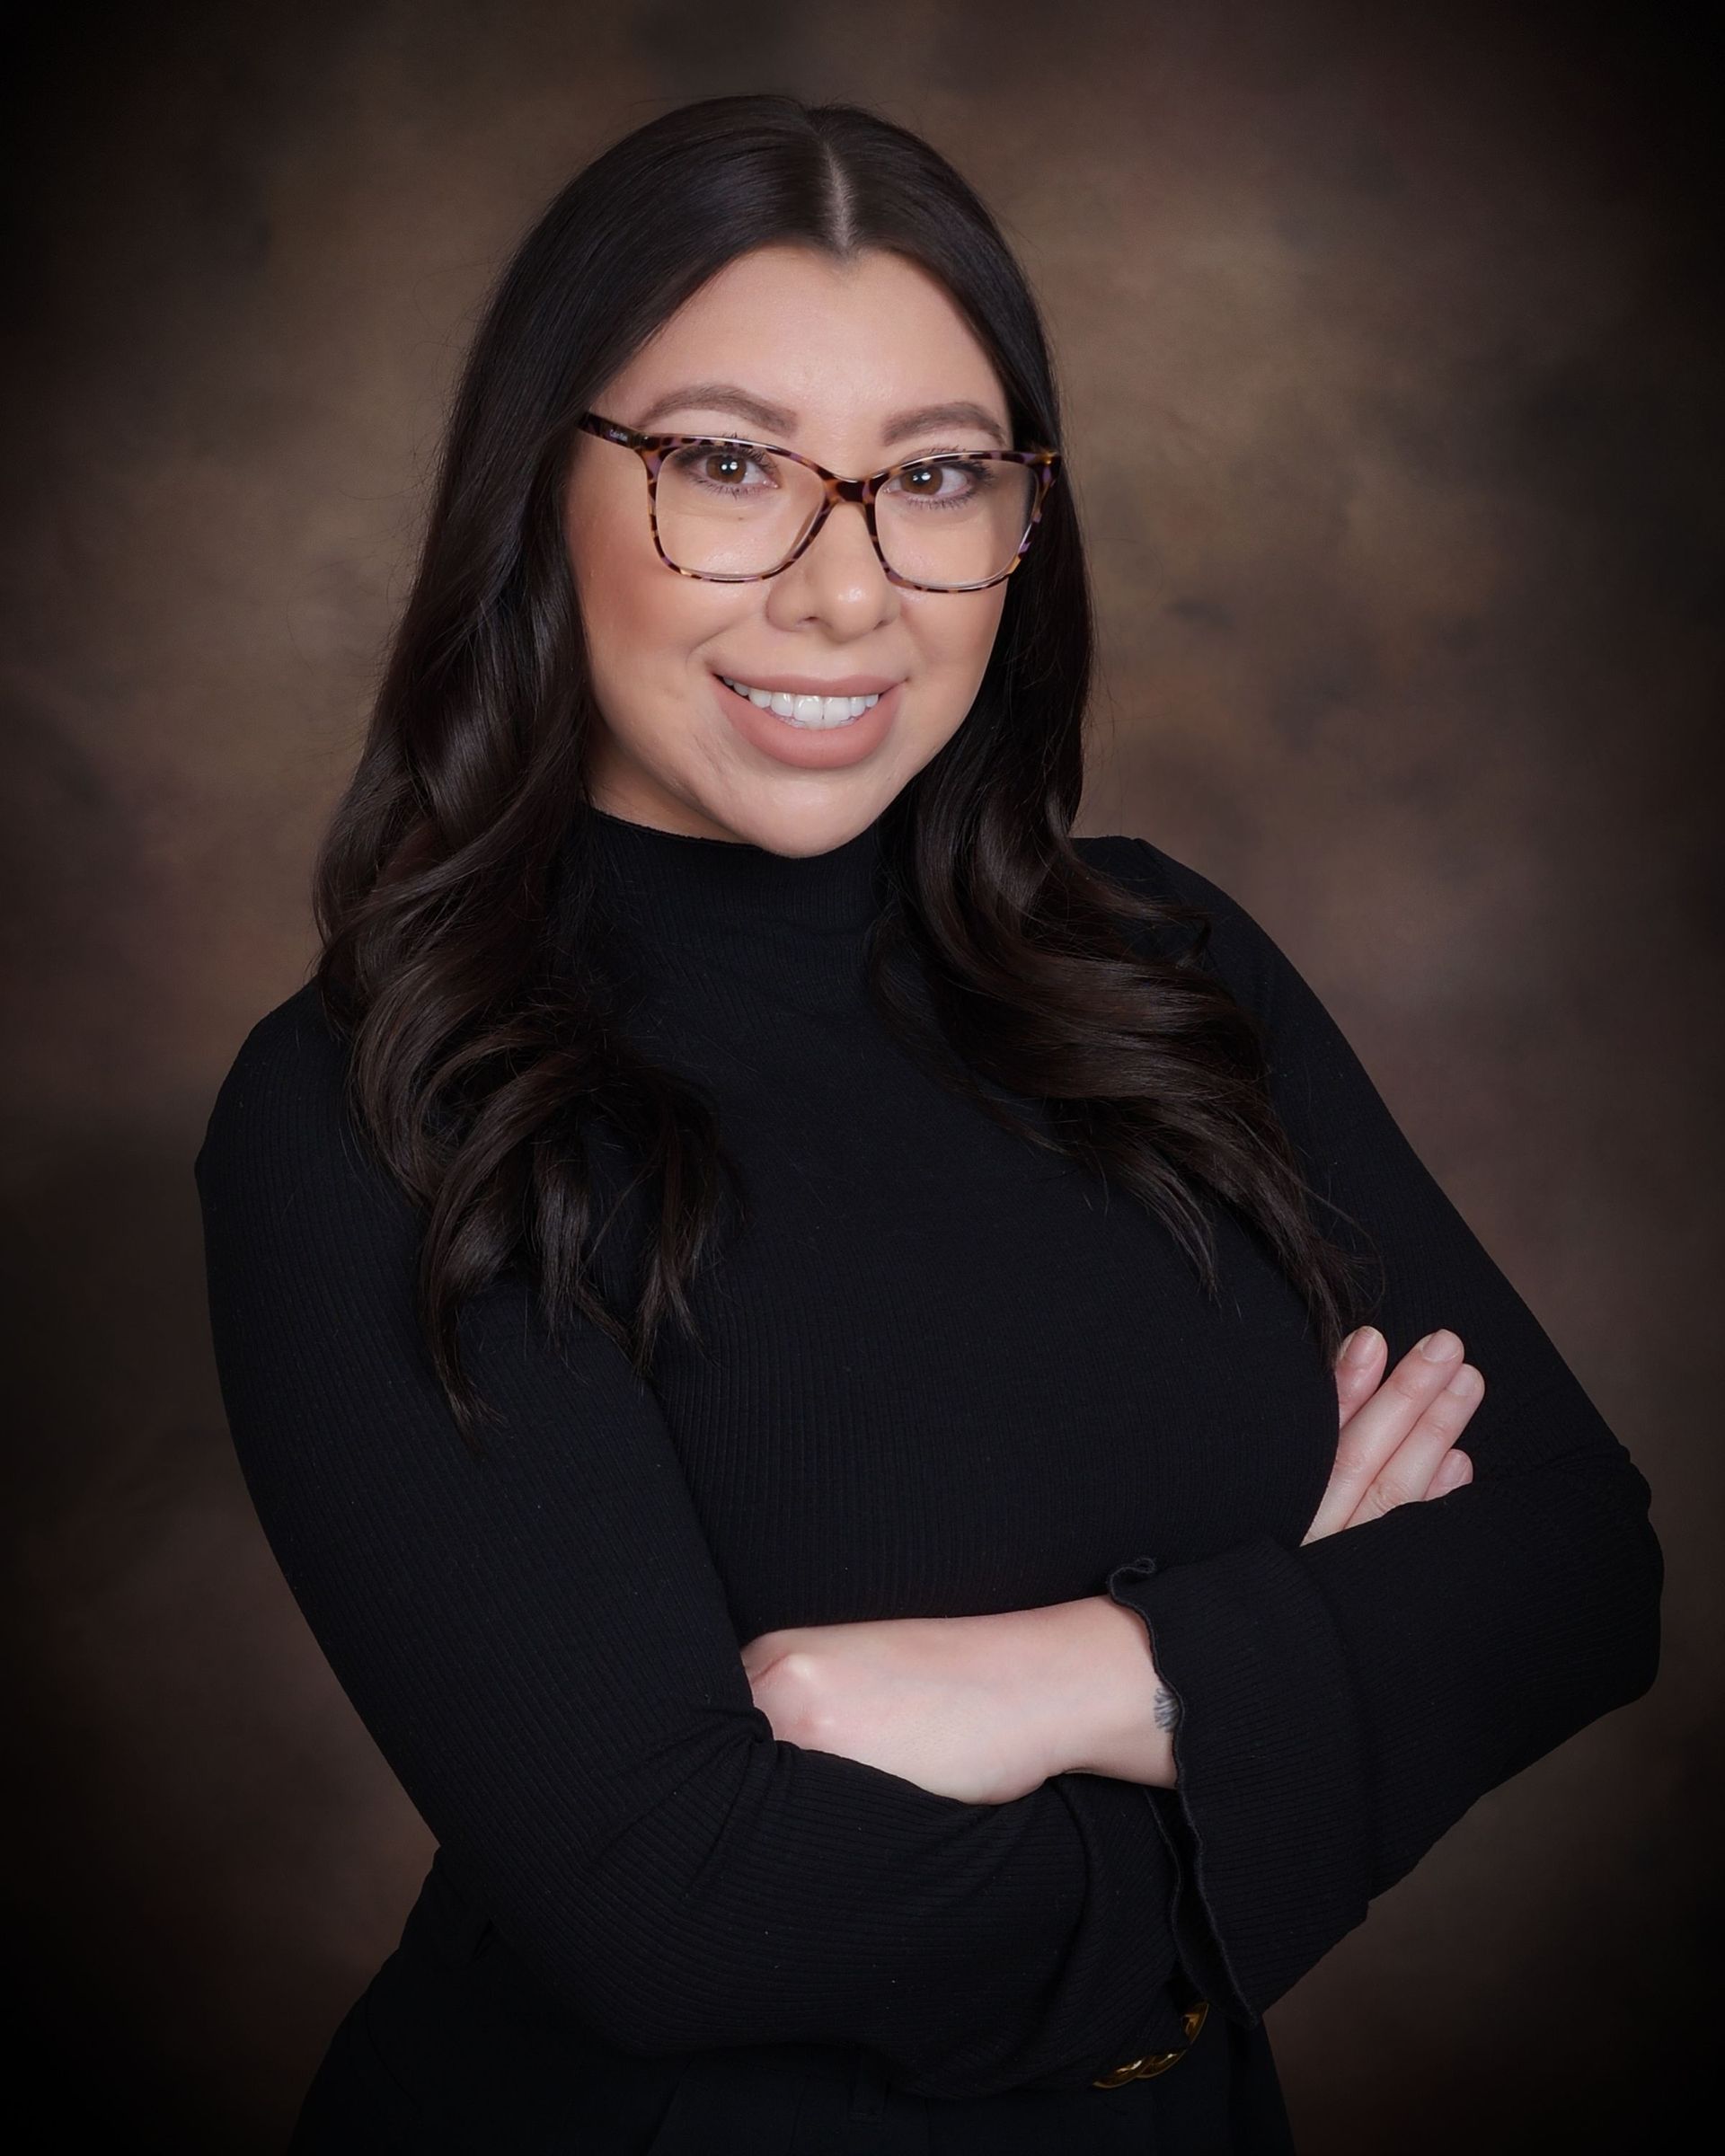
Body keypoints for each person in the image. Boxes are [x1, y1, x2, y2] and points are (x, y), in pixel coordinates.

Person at [192, 93, 1663, 2154]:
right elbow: (678, 1910)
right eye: (726, 466)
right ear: (539, 493)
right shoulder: (378, 1104)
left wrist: (1091, 1678)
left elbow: (1574, 1564)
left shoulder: (1172, 965)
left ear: (1021, 518)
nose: (846, 592)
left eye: (938, 478)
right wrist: (1298, 1718)